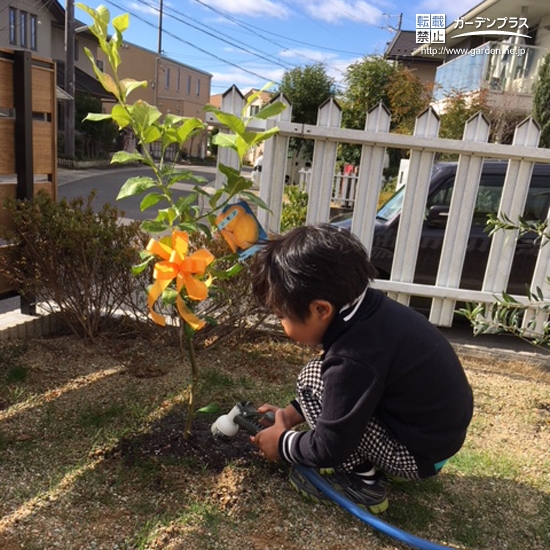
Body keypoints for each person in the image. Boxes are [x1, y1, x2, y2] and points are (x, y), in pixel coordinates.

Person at [249, 224, 474, 513]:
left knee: (313, 378)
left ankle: (362, 482)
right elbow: (353, 393)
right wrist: (290, 416)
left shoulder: (353, 357)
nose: (281, 325)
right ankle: (378, 463)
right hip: (434, 440)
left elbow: (329, 446)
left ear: (321, 309)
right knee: (321, 377)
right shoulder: (368, 313)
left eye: (282, 316)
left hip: (417, 454)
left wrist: (282, 444)